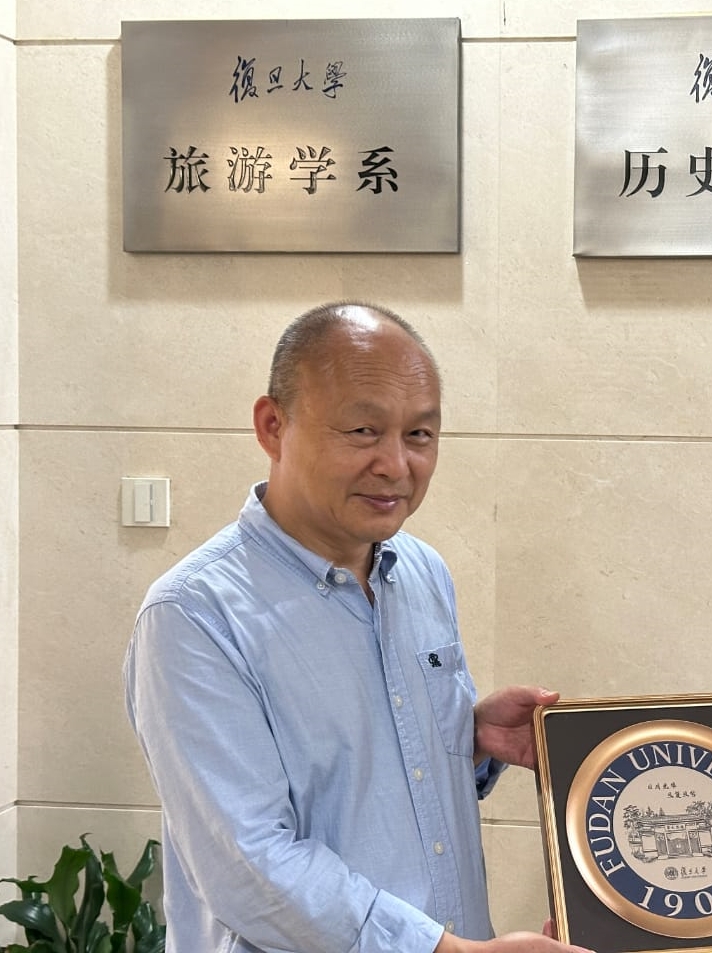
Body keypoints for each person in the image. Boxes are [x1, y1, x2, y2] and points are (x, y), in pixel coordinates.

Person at [124, 302, 589, 953]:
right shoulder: (193, 615)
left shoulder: (421, 571)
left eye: (420, 435)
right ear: (272, 425)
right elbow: (249, 867)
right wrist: (446, 951)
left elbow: (377, 773)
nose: (397, 464)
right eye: (364, 430)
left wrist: (469, 738)